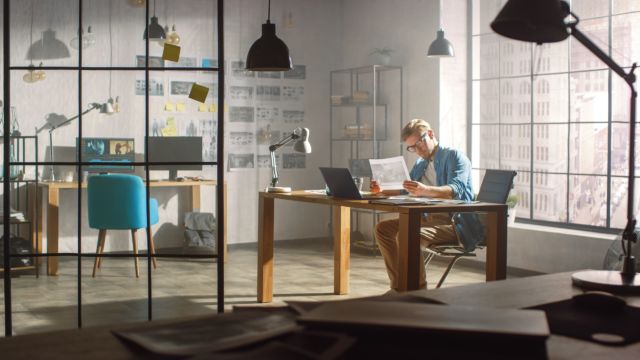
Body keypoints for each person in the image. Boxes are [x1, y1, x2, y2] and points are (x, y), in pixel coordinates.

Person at [372, 118, 478, 291]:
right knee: (383, 229)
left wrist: (424, 190)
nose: (417, 151)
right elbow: (408, 189)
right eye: (412, 148)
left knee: (407, 234)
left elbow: (455, 190)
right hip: (428, 218)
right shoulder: (421, 164)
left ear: (430, 134)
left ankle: (417, 290)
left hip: (454, 222)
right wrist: (384, 189)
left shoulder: (455, 157)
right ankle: (398, 287)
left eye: (419, 144)